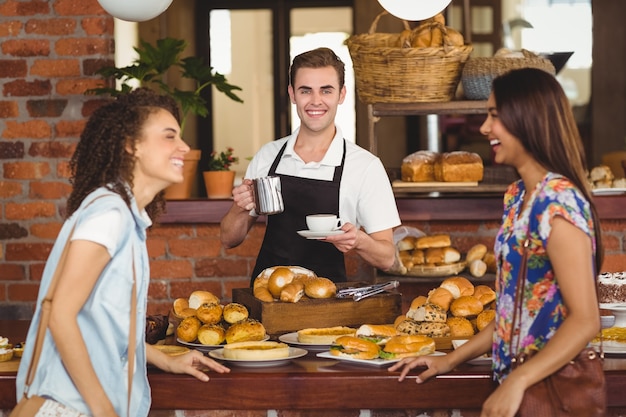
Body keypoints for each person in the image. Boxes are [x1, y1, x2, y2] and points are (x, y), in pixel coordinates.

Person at [389, 68, 603, 417]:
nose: (485, 128)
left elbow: (585, 320)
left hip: (551, 388)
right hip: (516, 381)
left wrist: (518, 382)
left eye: (494, 116)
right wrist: (447, 360)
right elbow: (510, 313)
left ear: (526, 119)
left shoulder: (558, 204)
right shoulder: (518, 197)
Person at [16, 88, 230, 417]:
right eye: (169, 136)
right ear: (131, 144)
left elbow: (107, 328)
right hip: (70, 408)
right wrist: (104, 412)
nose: (184, 147)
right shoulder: (110, 215)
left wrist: (164, 359)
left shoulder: (123, 216)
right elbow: (60, 316)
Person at [220, 47, 401, 284]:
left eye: (326, 90)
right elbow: (228, 239)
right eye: (306, 91)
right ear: (292, 94)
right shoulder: (268, 156)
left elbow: (388, 257)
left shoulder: (365, 166)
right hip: (268, 298)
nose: (316, 101)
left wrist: (357, 240)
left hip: (327, 305)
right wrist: (240, 207)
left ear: (342, 94)